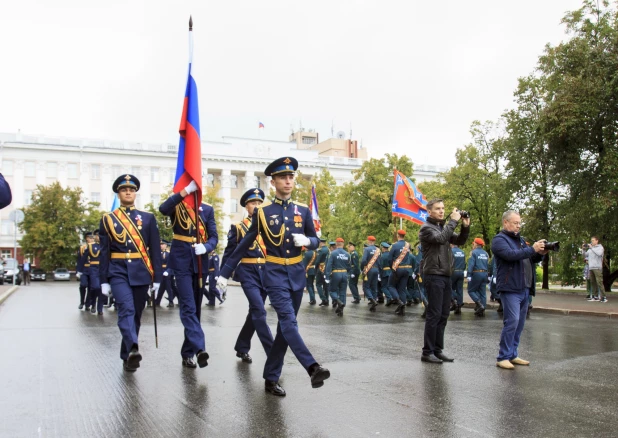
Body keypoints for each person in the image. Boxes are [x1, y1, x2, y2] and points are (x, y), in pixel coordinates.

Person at [217, 156, 330, 396]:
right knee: (289, 322)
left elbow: (317, 240)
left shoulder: (303, 210)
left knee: (283, 332)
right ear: (273, 182)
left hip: (297, 274)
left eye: (291, 177)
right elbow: (244, 243)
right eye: (282, 177)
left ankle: (270, 378)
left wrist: (308, 241)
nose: (288, 181)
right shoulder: (263, 212)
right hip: (275, 274)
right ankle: (312, 367)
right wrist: (224, 273)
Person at [99, 174, 162, 372]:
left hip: (141, 271)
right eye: (124, 190)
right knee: (126, 308)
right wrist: (104, 280)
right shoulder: (108, 219)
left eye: (132, 190)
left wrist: (157, 278)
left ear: (135, 193)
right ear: (118, 193)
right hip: (117, 271)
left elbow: (155, 251)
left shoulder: (148, 218)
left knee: (135, 315)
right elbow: (104, 252)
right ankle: (134, 347)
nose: (128, 192)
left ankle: (127, 355)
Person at [159, 179, 218, 369]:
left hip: (200, 261)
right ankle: (200, 348)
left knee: (196, 309)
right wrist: (184, 192)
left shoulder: (207, 209)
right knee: (188, 306)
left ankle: (187, 353)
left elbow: (214, 237)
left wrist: (206, 246)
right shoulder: (177, 204)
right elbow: (163, 208)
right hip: (182, 260)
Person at [221, 188, 274, 364]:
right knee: (259, 310)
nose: (257, 206)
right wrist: (222, 276)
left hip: (266, 273)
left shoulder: (268, 227)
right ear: (246, 206)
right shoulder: (238, 228)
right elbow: (230, 253)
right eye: (253, 203)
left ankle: (242, 347)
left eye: (260, 203)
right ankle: (273, 353)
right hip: (248, 273)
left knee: (254, 312)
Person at [492, 210, 546, 370]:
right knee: (512, 321)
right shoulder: (499, 240)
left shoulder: (521, 240)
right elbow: (511, 255)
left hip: (524, 288)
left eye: (519, 223)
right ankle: (503, 357)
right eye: (515, 223)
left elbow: (528, 257)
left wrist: (540, 253)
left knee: (520, 323)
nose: (518, 225)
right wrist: (532, 249)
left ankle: (512, 354)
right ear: (506, 223)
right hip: (510, 288)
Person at [419, 199, 470, 364]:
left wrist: (465, 225)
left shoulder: (442, 228)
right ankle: (427, 352)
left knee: (443, 314)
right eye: (438, 209)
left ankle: (437, 350)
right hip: (433, 274)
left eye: (443, 208)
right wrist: (453, 221)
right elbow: (441, 239)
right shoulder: (426, 229)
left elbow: (460, 241)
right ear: (429, 211)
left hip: (445, 274)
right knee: (434, 314)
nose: (441, 211)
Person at [387, 230, 413, 315]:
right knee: (402, 289)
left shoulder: (394, 245)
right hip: (406, 269)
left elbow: (389, 259)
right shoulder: (408, 245)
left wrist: (392, 268)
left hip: (397, 269)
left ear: (398, 235)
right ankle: (402, 310)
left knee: (391, 286)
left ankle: (399, 302)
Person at [325, 237, 352, 316]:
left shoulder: (333, 253)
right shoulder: (347, 254)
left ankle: (338, 302)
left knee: (332, 290)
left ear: (336, 244)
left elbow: (329, 265)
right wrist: (349, 275)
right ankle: (341, 310)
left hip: (336, 274)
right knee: (343, 292)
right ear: (343, 244)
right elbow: (349, 266)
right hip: (344, 274)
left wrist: (327, 276)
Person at [467, 238, 490, 317]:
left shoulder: (473, 253)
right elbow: (488, 265)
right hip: (485, 274)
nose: (473, 245)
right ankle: (482, 309)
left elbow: (471, 265)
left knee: (471, 290)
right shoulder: (486, 253)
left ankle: (479, 305)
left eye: (473, 244)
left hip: (476, 273)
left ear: (476, 244)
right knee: (483, 293)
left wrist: (469, 275)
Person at [360, 236, 379, 310]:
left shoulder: (367, 249)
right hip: (376, 269)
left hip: (369, 270)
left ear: (369, 241)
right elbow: (379, 261)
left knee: (366, 287)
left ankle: (372, 300)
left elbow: (364, 260)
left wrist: (362, 269)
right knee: (374, 287)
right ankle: (374, 300)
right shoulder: (378, 250)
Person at [76, 232, 93, 310]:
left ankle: (87, 303)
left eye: (92, 238)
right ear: (86, 238)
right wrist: (78, 271)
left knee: (91, 287)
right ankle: (82, 301)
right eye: (90, 238)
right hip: (84, 269)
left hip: (93, 269)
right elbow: (79, 260)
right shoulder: (82, 247)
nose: (91, 239)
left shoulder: (95, 247)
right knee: (83, 285)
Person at [586, 237, 606, 302]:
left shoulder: (600, 248)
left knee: (599, 282)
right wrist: (583, 250)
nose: (592, 241)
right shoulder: (590, 249)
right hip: (591, 267)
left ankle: (603, 297)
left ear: (597, 241)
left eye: (593, 240)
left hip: (597, 267)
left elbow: (599, 254)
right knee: (593, 282)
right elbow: (585, 255)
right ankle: (595, 296)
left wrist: (591, 248)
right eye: (591, 240)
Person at [154, 240, 173, 307]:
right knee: (161, 288)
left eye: (162, 244)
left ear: (166, 245)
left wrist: (168, 271)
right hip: (160, 271)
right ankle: (157, 301)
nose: (161, 245)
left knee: (168, 288)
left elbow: (171, 264)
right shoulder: (158, 253)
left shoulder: (169, 253)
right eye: (160, 244)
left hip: (167, 272)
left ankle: (171, 302)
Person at [450, 244, 465, 314]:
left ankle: (455, 300)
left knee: (448, 288)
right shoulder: (462, 252)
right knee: (460, 289)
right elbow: (464, 264)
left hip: (453, 272)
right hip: (461, 272)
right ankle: (459, 305)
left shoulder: (450, 251)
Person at [315, 238, 330, 306]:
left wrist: (315, 269)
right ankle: (327, 299)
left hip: (321, 268)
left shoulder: (321, 250)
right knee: (325, 285)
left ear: (320, 243)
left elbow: (318, 261)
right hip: (326, 268)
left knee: (318, 284)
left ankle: (323, 299)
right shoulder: (328, 250)